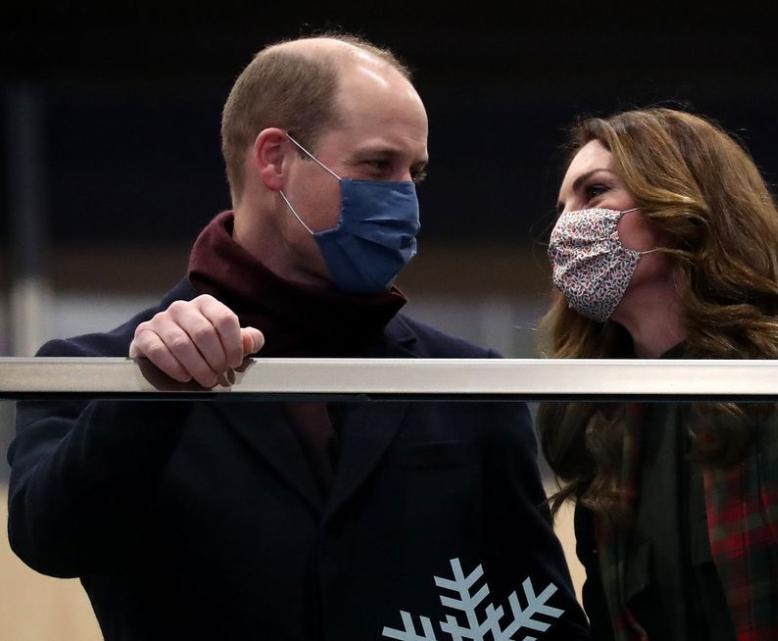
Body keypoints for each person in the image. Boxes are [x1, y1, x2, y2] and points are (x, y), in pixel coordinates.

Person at [7, 35, 588, 641]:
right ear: (275, 158)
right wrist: (147, 397)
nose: (406, 199)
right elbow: (51, 540)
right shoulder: (96, 370)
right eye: (377, 165)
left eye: (414, 173)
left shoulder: (466, 379)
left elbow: (539, 612)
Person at [538, 108, 778, 641]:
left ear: (681, 201)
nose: (564, 229)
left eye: (594, 192)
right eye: (561, 209)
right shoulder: (600, 422)